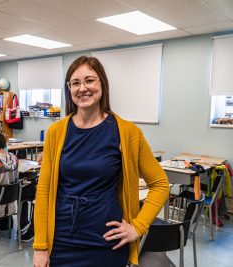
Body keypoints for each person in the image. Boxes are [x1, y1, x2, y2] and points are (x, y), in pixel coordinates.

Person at [33, 56, 169, 267]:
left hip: (107, 241)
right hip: (61, 241)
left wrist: (138, 227)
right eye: (75, 83)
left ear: (102, 84)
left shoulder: (127, 132)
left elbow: (160, 184)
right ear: (69, 89)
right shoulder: (56, 133)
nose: (82, 88)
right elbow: (43, 192)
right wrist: (40, 246)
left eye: (89, 80)